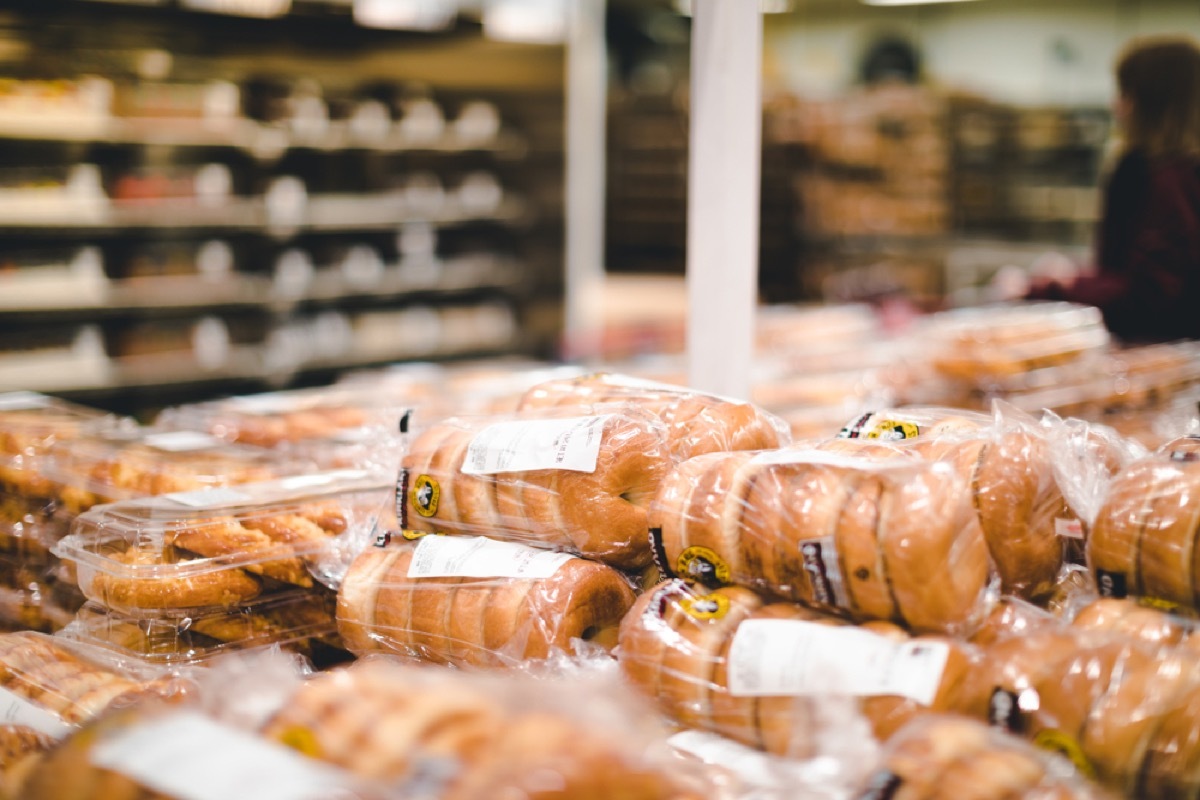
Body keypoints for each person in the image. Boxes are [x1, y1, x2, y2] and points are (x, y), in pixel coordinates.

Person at [1027, 36, 1200, 342]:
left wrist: (1057, 287)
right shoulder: (1182, 175)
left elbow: (1148, 295)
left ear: (1148, 101)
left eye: (1123, 92)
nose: (1116, 106)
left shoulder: (1161, 178)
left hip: (1162, 360)